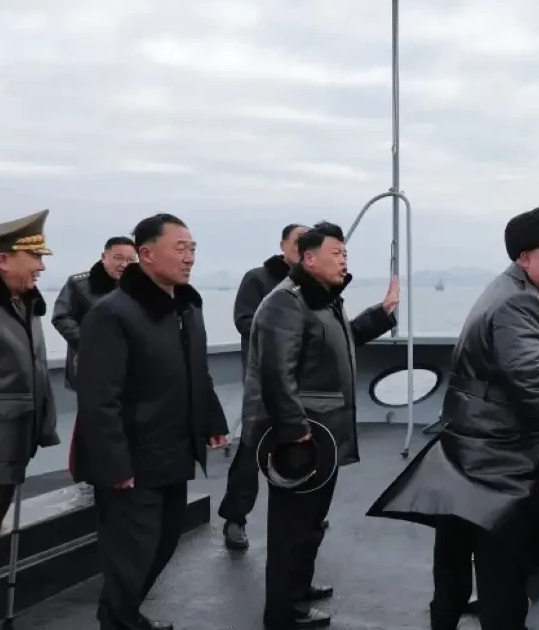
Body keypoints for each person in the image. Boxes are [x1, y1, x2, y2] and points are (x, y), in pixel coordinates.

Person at [367, 206, 539, 630]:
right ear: (525, 258)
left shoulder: (505, 288)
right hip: (498, 464)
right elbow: (526, 378)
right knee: (502, 579)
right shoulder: (521, 301)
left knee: (452, 564)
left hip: (467, 451)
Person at [71, 213, 230, 630]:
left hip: (174, 451)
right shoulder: (113, 313)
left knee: (162, 544)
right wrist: (115, 466)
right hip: (133, 459)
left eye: (192, 248)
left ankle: (122, 616)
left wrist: (211, 419)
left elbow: (197, 372)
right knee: (131, 555)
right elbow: (99, 398)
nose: (189, 257)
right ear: (146, 253)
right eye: (180, 248)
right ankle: (118, 621)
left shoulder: (186, 307)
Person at [244, 221, 399, 629]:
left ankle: (298, 588)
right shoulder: (285, 303)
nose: (344, 260)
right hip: (303, 438)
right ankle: (283, 612)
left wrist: (381, 314)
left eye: (345, 253)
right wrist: (295, 432)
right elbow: (277, 373)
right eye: (336, 253)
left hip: (323, 437)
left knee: (311, 523)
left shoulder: (322, 301)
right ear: (309, 259)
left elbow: (341, 340)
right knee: (291, 529)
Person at [0, 210, 61, 627]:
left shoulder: (22, 305)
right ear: (3, 260)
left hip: (8, 452)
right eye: (33, 257)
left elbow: (35, 373)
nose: (41, 266)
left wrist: (42, 428)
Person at [220, 222, 307, 550]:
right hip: (264, 382)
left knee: (299, 447)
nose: (302, 248)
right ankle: (235, 518)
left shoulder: (312, 285)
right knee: (251, 449)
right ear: (283, 245)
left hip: (301, 382)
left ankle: (300, 510)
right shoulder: (257, 279)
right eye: (297, 242)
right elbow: (244, 320)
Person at [51, 235, 137, 390]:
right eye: (118, 258)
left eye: (130, 260)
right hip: (90, 365)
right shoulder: (79, 285)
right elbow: (61, 317)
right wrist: (90, 344)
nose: (124, 265)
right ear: (104, 257)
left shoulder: (139, 287)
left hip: (129, 368)